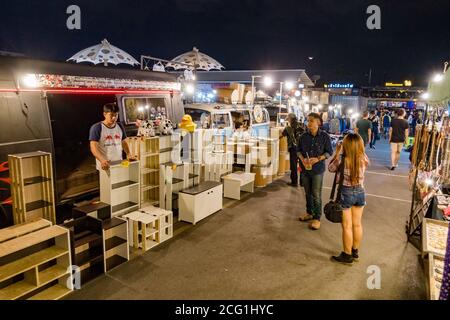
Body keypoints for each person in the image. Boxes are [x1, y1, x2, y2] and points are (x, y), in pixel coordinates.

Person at [328, 133, 369, 264]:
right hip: (360, 192)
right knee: (357, 224)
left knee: (346, 226)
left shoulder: (341, 159)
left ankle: (347, 254)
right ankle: (355, 251)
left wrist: (337, 151)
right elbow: (366, 160)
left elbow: (330, 168)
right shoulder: (363, 157)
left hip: (346, 193)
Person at [297, 113, 333, 230]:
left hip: (318, 169)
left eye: (311, 121)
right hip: (305, 169)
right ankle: (309, 212)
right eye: (308, 121)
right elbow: (298, 151)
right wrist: (303, 160)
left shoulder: (325, 137)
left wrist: (317, 159)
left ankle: (317, 218)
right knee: (307, 193)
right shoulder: (303, 137)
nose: (309, 124)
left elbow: (329, 152)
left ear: (318, 122)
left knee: (316, 194)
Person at [89, 103, 132, 171]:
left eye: (116, 115)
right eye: (111, 115)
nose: (114, 118)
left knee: (122, 180)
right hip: (105, 165)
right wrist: (102, 160)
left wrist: (129, 154)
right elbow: (93, 147)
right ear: (104, 114)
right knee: (106, 181)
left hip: (119, 162)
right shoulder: (97, 127)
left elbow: (124, 142)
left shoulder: (120, 126)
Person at [282, 113, 305, 186]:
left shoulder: (288, 127)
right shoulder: (302, 125)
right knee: (301, 165)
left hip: (293, 149)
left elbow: (283, 134)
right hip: (302, 148)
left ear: (290, 119)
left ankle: (294, 182)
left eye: (288, 119)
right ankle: (302, 182)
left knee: (294, 165)